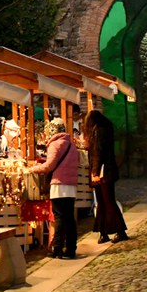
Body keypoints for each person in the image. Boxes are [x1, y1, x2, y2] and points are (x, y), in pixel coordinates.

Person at [31, 119, 80, 258]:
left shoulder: (54, 145)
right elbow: (78, 162)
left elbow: (49, 166)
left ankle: (57, 248)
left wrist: (34, 169)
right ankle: (71, 249)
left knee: (59, 217)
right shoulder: (71, 145)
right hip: (71, 185)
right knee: (69, 218)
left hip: (58, 184)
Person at [85, 108, 130, 243]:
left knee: (107, 201)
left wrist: (94, 172)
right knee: (103, 202)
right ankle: (104, 232)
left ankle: (118, 231)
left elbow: (98, 152)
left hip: (104, 173)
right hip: (105, 171)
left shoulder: (99, 132)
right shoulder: (103, 129)